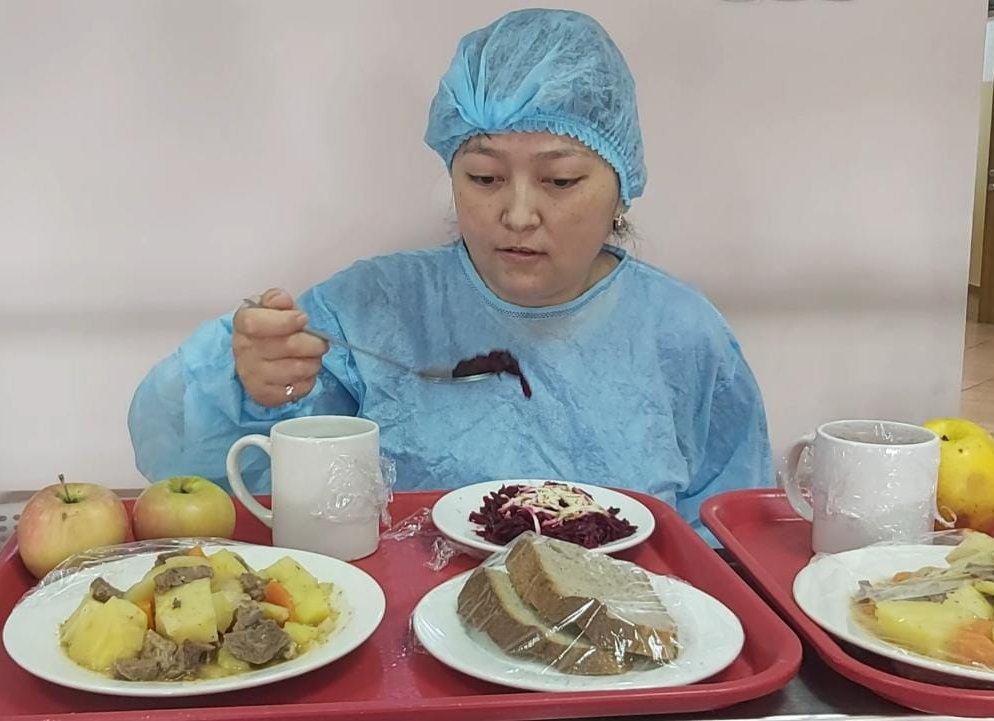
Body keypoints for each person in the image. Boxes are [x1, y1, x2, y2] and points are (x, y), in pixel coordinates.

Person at [127, 8, 772, 543]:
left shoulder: (683, 336)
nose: (517, 214)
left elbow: (723, 543)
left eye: (560, 180)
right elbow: (202, 478)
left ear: (621, 187)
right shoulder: (370, 310)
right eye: (485, 177)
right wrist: (252, 385)